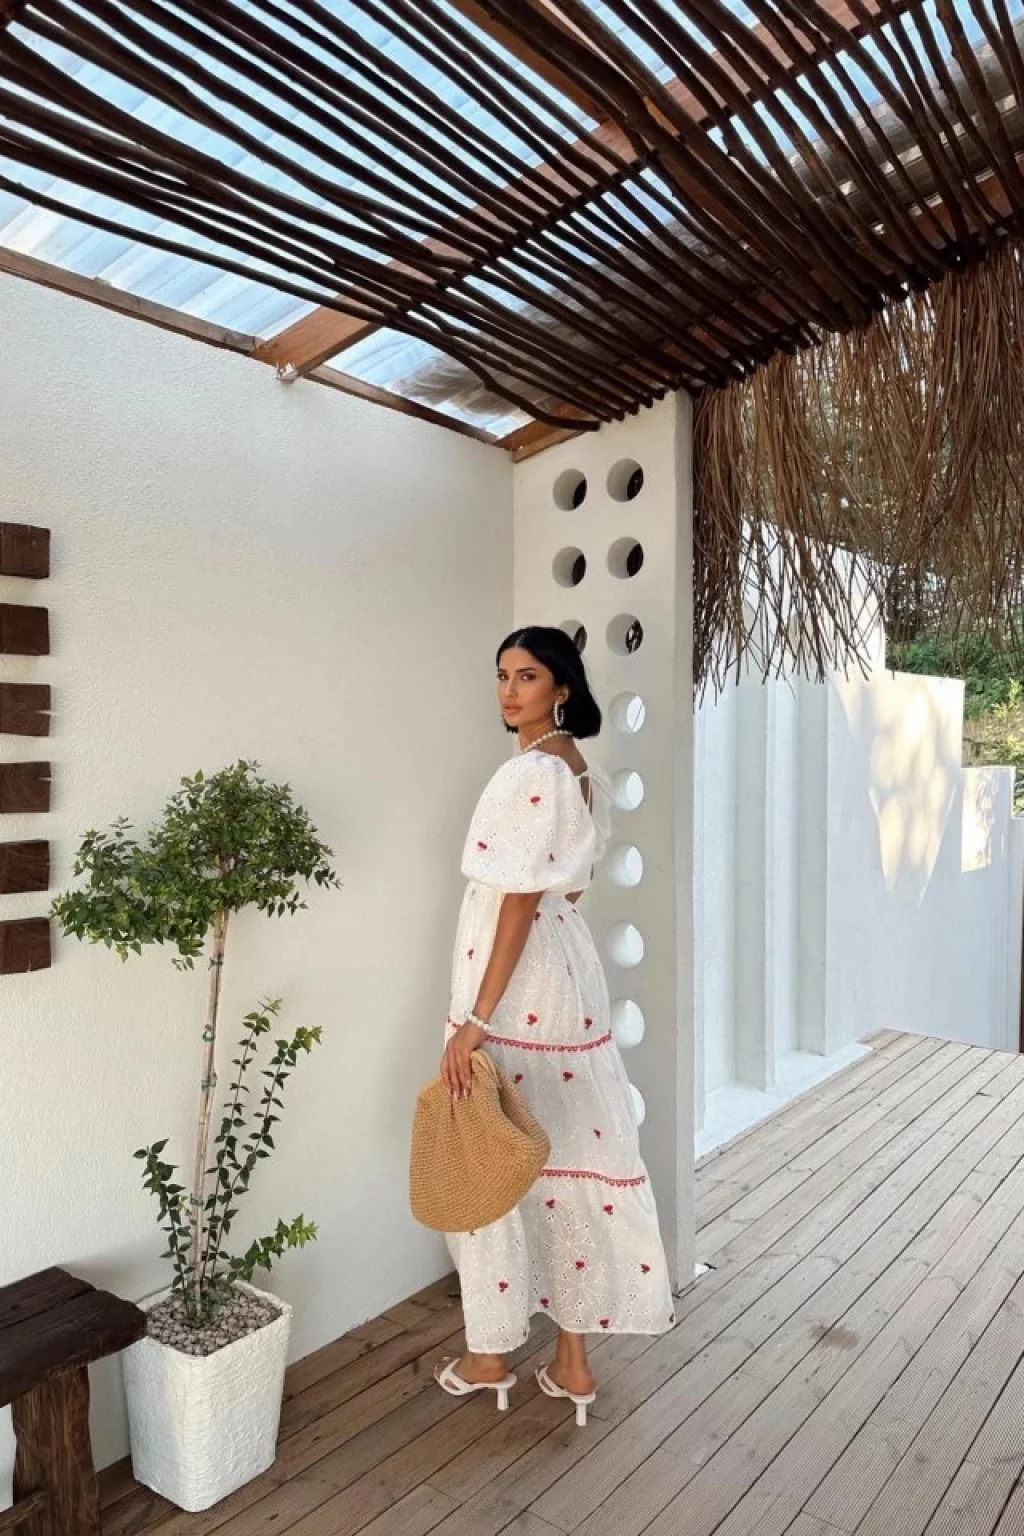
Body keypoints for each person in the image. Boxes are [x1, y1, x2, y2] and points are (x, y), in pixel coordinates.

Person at [433, 625, 672, 1426]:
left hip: (515, 989)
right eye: (502, 674)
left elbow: (519, 901)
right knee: (565, 1158)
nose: (509, 690)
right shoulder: (580, 770)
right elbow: (569, 892)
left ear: (562, 688)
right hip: (565, 976)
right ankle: (572, 1363)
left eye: (528, 676)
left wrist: (476, 1017)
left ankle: (491, 1351)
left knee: (493, 1155)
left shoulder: (532, 772)